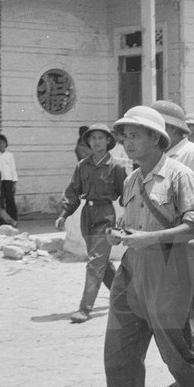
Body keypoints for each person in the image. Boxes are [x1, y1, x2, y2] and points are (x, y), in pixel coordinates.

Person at [90, 106, 194, 387]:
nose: (127, 142)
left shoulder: (179, 175)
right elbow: (134, 225)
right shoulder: (131, 180)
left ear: (156, 139)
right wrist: (122, 235)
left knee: (180, 357)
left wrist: (150, 239)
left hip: (169, 274)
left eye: (135, 135)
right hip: (132, 274)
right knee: (119, 355)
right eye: (125, 136)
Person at [151, 100, 194, 387]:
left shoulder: (190, 154)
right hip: (168, 244)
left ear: (176, 130)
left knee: (178, 313)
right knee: (178, 314)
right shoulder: (167, 157)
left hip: (185, 244)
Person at [55, 124, 127, 323]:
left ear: (108, 141)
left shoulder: (116, 167)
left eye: (100, 138)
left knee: (95, 261)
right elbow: (72, 192)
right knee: (101, 262)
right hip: (87, 215)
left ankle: (85, 309)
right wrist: (63, 214)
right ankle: (126, 299)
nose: (96, 142)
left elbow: (127, 195)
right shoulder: (82, 166)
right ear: (88, 142)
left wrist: (126, 216)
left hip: (105, 215)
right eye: (93, 138)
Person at [0, 134, 19, 226]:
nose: (2, 145)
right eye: (0, 143)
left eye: (3, 143)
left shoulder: (9, 155)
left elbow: (13, 168)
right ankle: (1, 222)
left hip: (8, 180)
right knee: (0, 201)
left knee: (10, 200)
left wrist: (14, 182)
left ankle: (13, 220)